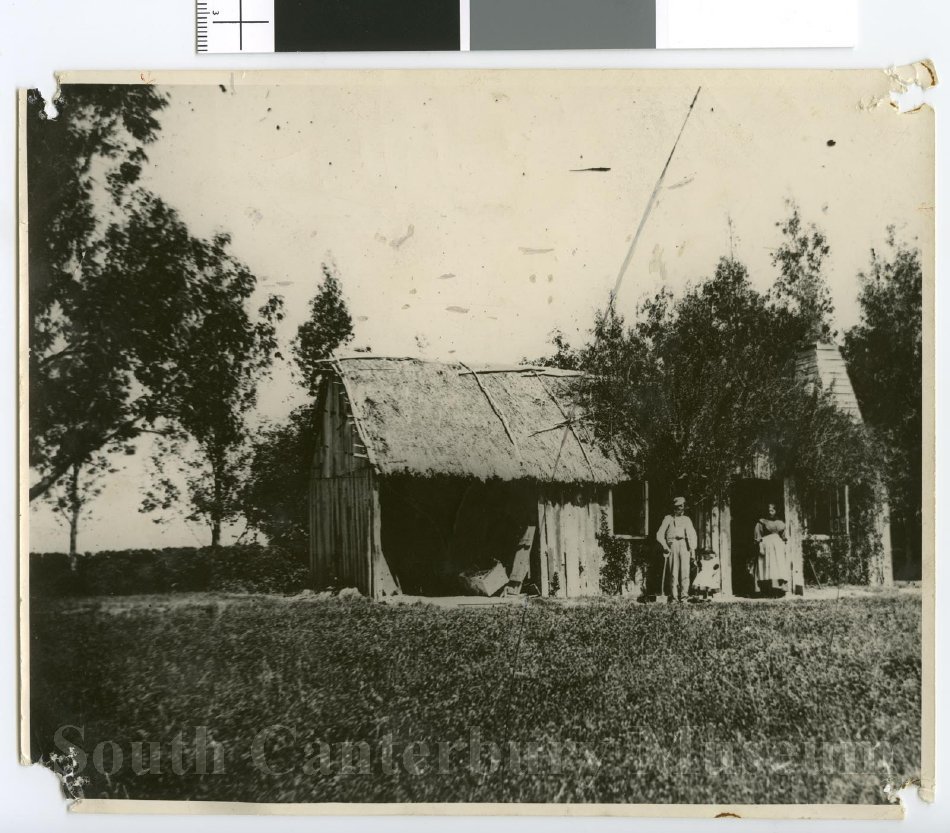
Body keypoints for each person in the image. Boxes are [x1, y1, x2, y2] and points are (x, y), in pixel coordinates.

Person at [656, 496, 697, 603]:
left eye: (682, 507)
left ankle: (684, 597)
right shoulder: (668, 519)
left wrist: (692, 551)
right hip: (673, 545)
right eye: (679, 507)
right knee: (673, 573)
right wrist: (665, 546)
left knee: (685, 572)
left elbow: (692, 535)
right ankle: (674, 597)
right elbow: (659, 534)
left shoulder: (687, 519)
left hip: (684, 545)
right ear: (674, 508)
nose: (681, 509)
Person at [753, 502, 790, 595]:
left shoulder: (780, 523)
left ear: (776, 511)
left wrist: (783, 543)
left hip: (778, 547)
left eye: (772, 510)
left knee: (778, 565)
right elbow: (758, 536)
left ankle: (780, 587)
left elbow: (783, 536)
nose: (770, 512)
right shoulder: (761, 522)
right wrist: (760, 545)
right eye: (768, 510)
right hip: (766, 546)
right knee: (766, 566)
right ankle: (766, 588)